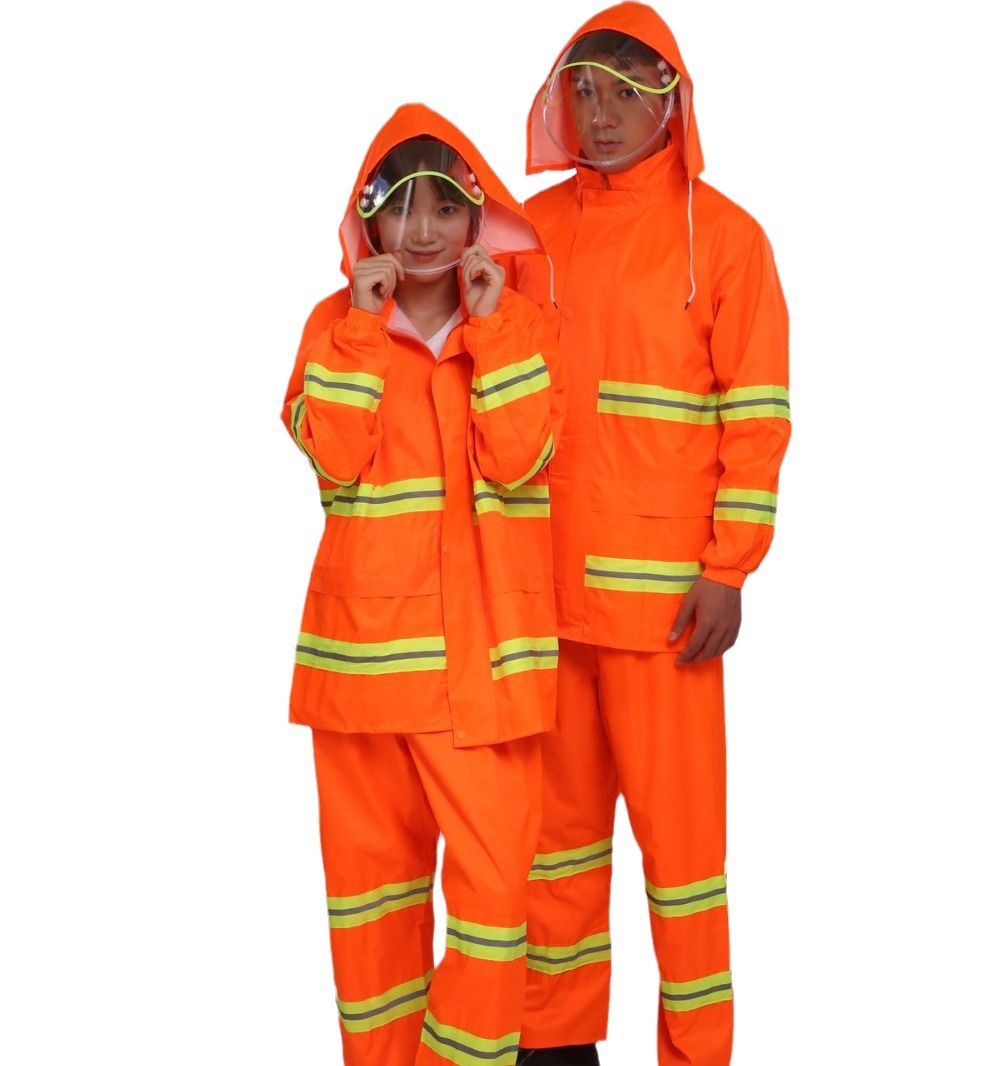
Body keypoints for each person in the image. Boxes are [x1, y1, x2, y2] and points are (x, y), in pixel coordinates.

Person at [512, 5, 791, 1064]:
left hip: (667, 613)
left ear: (674, 102)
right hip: (543, 606)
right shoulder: (527, 234)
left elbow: (756, 416)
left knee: (683, 866)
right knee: (553, 854)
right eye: (585, 90)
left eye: (629, 90)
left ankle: (696, 1053)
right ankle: (553, 1046)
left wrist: (730, 569)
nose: (604, 113)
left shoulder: (724, 238)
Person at [281, 103, 565, 1066]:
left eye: (445, 207)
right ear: (369, 219)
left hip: (482, 676)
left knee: (494, 906)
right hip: (362, 677)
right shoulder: (334, 327)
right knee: (372, 920)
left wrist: (491, 329)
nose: (424, 231)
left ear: (478, 219)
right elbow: (334, 459)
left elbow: (522, 459)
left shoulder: (522, 326)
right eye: (402, 207)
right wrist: (364, 329)